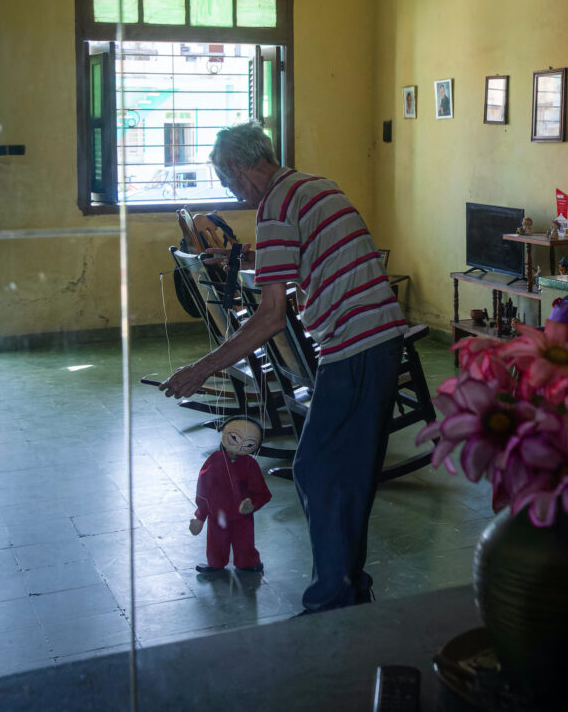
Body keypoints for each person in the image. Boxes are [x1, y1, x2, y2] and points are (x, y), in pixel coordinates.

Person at [160, 121, 406, 612]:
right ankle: (349, 588)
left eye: (228, 182)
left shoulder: (274, 206)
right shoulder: (313, 186)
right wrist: (250, 252)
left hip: (355, 347)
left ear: (236, 166)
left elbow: (271, 315)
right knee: (346, 472)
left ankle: (332, 598)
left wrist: (204, 367)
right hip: (379, 339)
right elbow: (304, 254)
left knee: (317, 470)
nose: (234, 195)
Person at [190, 416, 271, 574]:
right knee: (215, 543)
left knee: (245, 543)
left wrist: (252, 505)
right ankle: (215, 563)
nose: (240, 445)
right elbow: (203, 490)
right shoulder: (214, 460)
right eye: (234, 438)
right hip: (216, 514)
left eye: (248, 444)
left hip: (242, 515)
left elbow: (262, 492)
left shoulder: (250, 464)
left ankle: (248, 563)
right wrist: (200, 516)